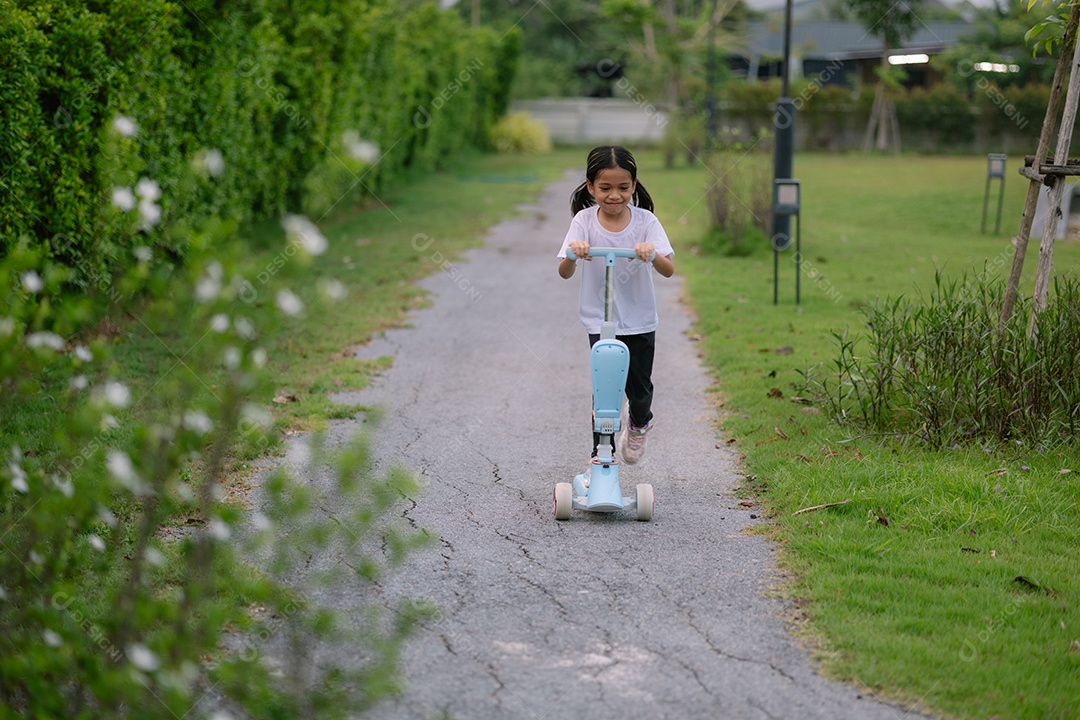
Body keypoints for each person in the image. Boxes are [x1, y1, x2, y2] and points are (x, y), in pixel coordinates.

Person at [556, 145, 675, 467]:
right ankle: (600, 452)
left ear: (634, 186)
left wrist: (651, 254)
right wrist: (573, 252)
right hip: (599, 320)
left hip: (639, 319)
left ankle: (638, 424)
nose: (614, 195)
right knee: (605, 388)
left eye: (623, 188)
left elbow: (668, 269)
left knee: (639, 390)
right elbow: (564, 272)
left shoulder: (645, 222)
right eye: (605, 188)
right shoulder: (583, 222)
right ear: (591, 186)